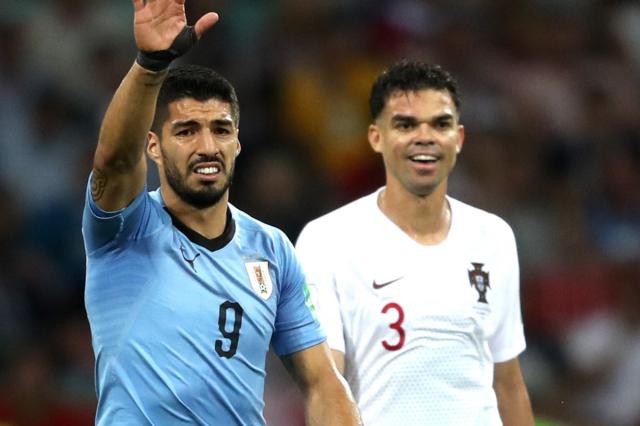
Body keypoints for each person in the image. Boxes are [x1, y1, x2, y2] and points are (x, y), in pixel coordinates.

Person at [81, 1, 361, 424]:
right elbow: (115, 162)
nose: (207, 146)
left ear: (238, 143)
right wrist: (150, 65)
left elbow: (322, 382)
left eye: (221, 129)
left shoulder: (272, 249)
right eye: (187, 131)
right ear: (154, 146)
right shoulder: (125, 229)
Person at [295, 60, 535, 426]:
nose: (425, 137)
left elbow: (508, 383)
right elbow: (326, 385)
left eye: (440, 124)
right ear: (376, 137)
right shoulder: (328, 239)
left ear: (459, 137)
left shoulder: (494, 236)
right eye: (406, 124)